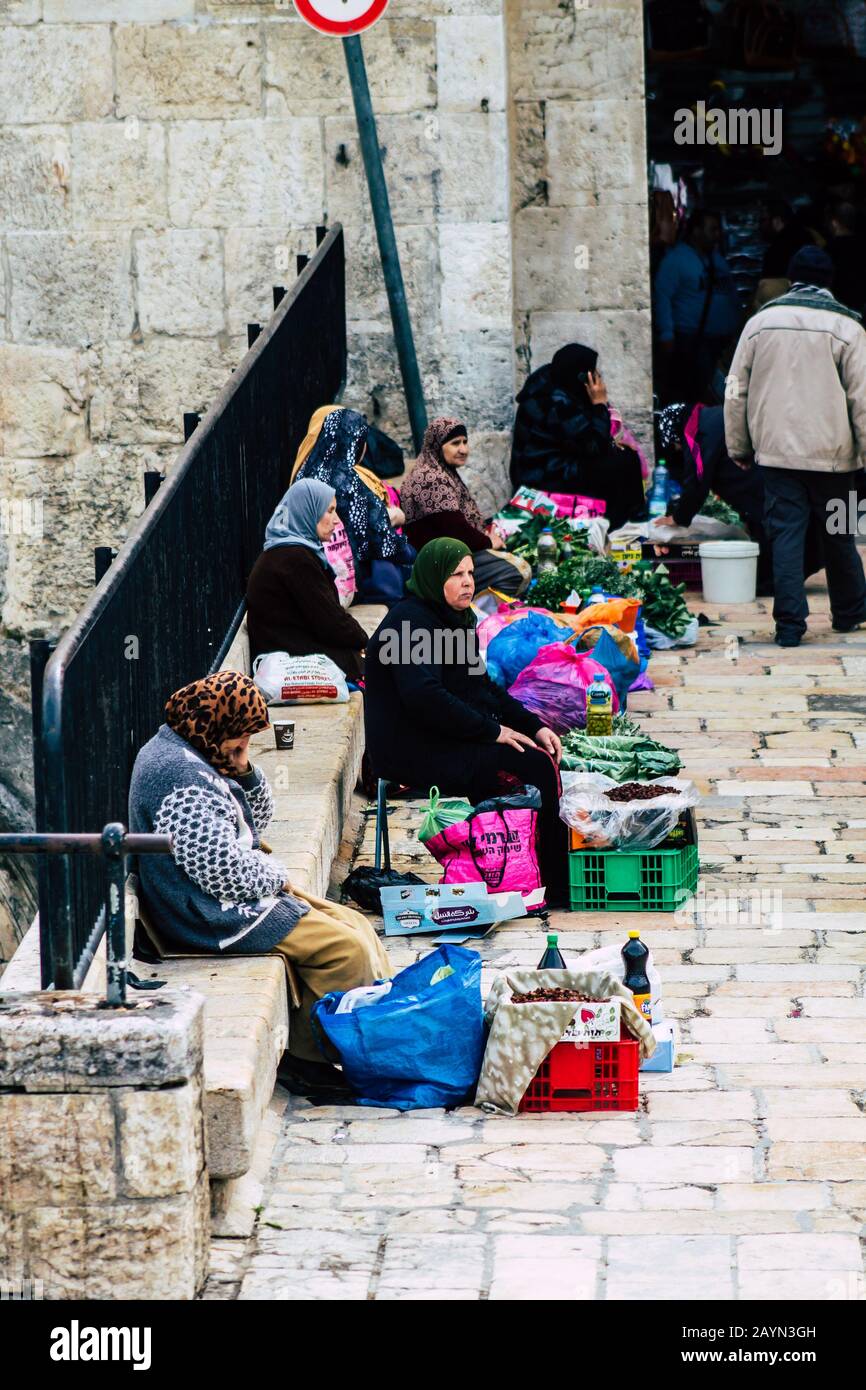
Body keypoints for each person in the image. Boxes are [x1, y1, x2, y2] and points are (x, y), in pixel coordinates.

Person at [128, 672, 392, 1098]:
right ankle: (314, 1058)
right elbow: (220, 870)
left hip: (232, 893)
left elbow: (259, 818)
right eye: (242, 740)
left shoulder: (195, 748)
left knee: (354, 924)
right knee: (348, 950)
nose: (243, 749)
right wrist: (278, 876)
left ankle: (358, 1035)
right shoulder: (177, 775)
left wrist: (245, 768)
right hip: (211, 913)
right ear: (218, 726)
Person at [364, 538, 569, 906]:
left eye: (471, 573)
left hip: (445, 737)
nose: (468, 582)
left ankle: (519, 872)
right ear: (433, 576)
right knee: (531, 766)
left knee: (537, 751)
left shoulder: (452, 620)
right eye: (456, 574)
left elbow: (484, 688)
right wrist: (493, 732)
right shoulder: (409, 623)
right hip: (412, 749)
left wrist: (533, 724)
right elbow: (423, 697)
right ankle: (552, 884)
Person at [725, 245, 866, 646]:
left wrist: (739, 445)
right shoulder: (849, 328)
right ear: (830, 283)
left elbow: (735, 389)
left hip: (776, 453)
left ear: (791, 280)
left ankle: (790, 626)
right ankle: (850, 612)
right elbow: (863, 398)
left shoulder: (760, 323)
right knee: (840, 532)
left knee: (786, 534)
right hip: (837, 458)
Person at [509, 344, 646, 530]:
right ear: (582, 377)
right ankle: (614, 525)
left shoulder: (551, 382)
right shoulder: (556, 402)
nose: (597, 376)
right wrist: (599, 404)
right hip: (543, 477)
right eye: (593, 372)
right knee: (621, 464)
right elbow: (594, 447)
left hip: (552, 466)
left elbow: (586, 441)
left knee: (623, 457)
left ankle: (626, 517)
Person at [246, 478, 368, 680]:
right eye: (329, 510)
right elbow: (331, 622)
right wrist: (364, 639)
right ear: (307, 511)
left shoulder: (288, 551)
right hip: (292, 660)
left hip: (290, 649)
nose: (337, 520)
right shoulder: (295, 560)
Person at [295, 407, 414, 605]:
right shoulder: (345, 482)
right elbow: (379, 539)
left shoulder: (307, 471)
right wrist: (411, 551)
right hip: (348, 578)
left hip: (311, 568)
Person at [401, 417, 531, 597]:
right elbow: (455, 530)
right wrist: (488, 542)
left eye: (465, 442)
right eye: (455, 443)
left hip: (452, 556)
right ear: (438, 446)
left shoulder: (442, 471)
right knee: (517, 572)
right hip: (439, 566)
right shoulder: (430, 478)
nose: (463, 449)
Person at [654, 209, 741, 403]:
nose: (717, 235)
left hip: (721, 342)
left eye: (718, 230)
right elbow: (663, 296)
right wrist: (666, 335)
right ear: (696, 231)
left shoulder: (717, 259)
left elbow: (731, 293)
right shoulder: (676, 260)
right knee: (701, 394)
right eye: (712, 229)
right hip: (692, 340)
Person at [826, 201, 866, 319]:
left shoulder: (829, 250)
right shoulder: (862, 247)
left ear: (834, 223)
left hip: (835, 309)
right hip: (860, 308)